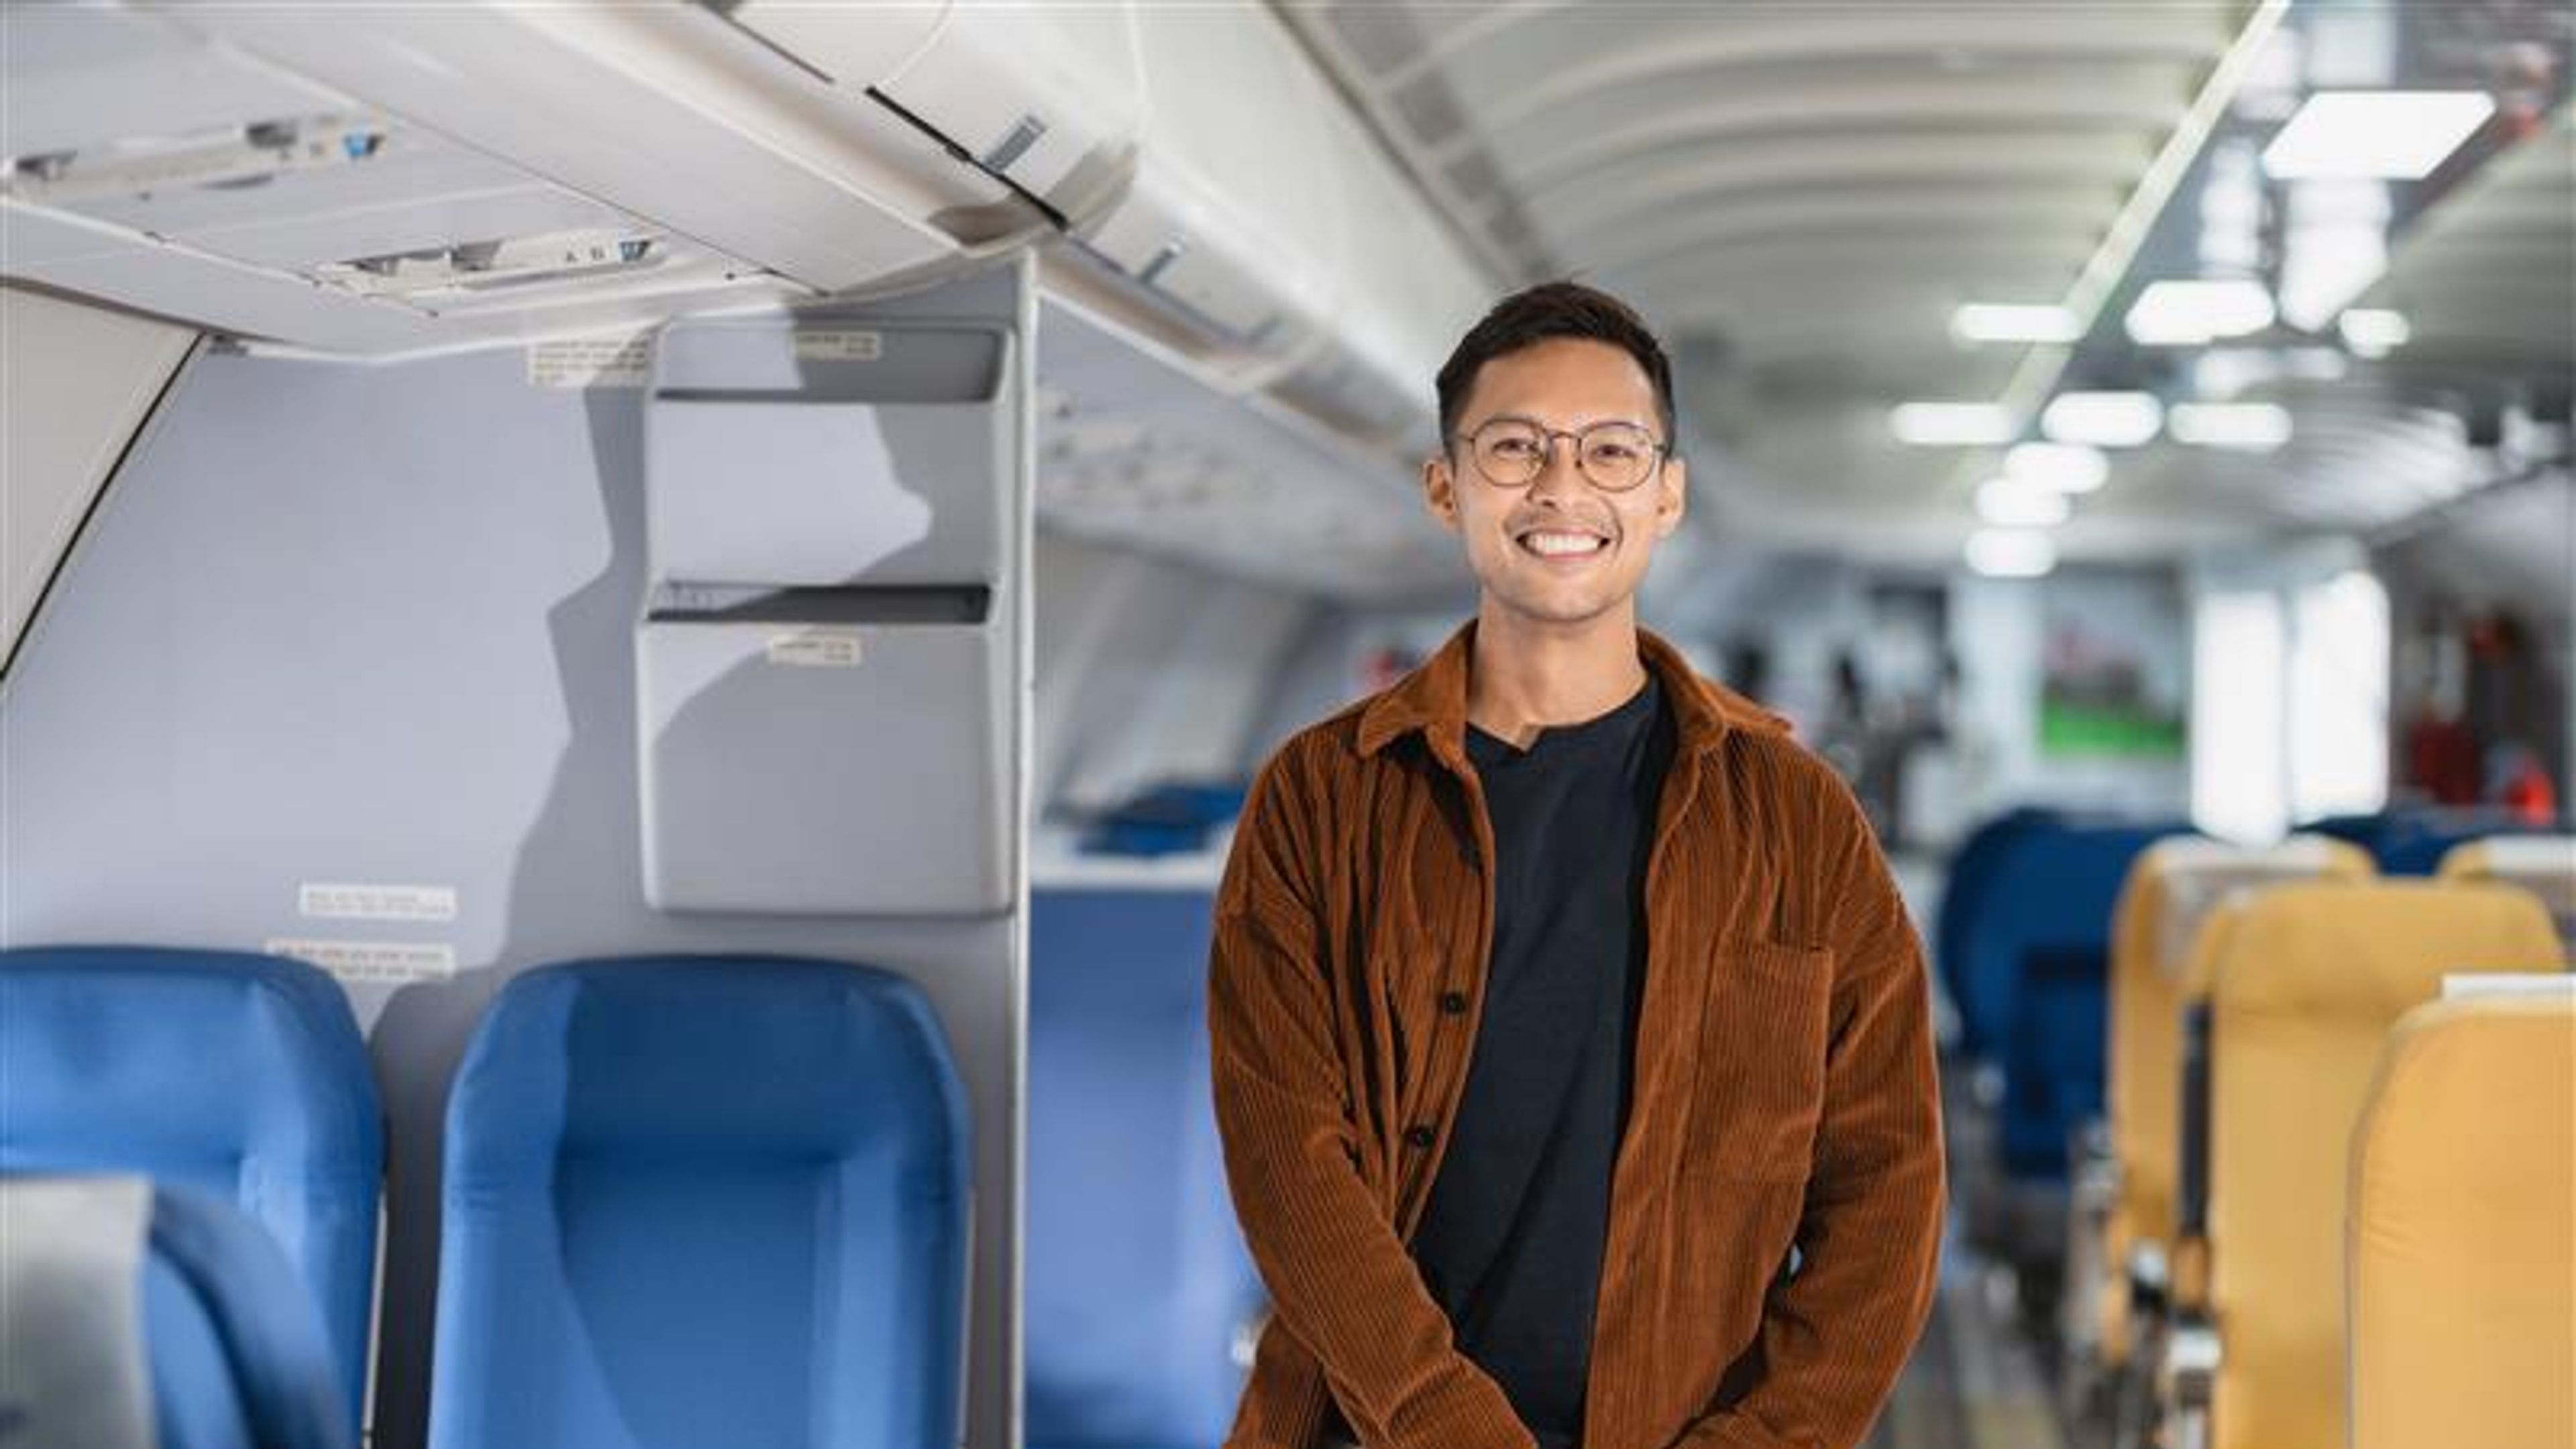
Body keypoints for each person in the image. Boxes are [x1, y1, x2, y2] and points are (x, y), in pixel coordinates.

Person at [1207, 282, 1944, 1449]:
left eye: (1610, 450)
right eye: (1515, 449)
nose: (1562, 488)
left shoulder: (1799, 823)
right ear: (1447, 487)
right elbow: (1288, 1164)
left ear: (1667, 496)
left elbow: (1887, 1189)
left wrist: (1767, 1440)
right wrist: (1445, 1424)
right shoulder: (1322, 799)